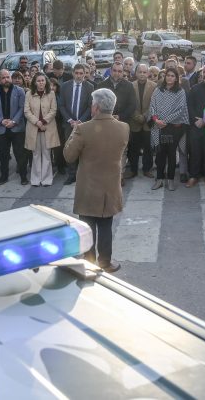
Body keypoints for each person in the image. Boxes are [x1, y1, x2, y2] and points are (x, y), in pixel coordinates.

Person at [63, 88, 128, 273]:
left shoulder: (83, 129)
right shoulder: (124, 127)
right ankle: (105, 262)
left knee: (87, 226)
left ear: (97, 107)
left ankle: (89, 261)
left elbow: (69, 156)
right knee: (106, 225)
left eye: (92, 104)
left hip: (88, 187)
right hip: (110, 186)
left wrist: (74, 132)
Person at [149, 67, 189, 191]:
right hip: (158, 125)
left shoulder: (180, 92)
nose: (170, 77)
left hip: (173, 127)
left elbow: (180, 110)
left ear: (176, 78)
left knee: (171, 153)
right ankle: (159, 179)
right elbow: (152, 106)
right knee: (160, 153)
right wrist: (156, 120)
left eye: (173, 76)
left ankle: (170, 180)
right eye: (168, 75)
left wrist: (165, 121)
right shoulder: (158, 90)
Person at [98, 62, 136, 186]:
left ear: (123, 72)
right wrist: (107, 116)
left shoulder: (129, 86)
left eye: (120, 71)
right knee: (105, 150)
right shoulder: (101, 85)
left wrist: (120, 116)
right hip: (104, 123)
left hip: (122, 123)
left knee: (122, 151)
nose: (117, 73)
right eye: (115, 70)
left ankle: (119, 176)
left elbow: (132, 106)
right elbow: (96, 104)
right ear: (111, 70)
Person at [0, 69, 28, 185]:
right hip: (2, 128)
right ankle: (4, 176)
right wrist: (1, 121)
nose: (6, 79)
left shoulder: (20, 91)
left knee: (20, 154)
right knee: (3, 155)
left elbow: (22, 108)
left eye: (8, 77)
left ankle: (23, 176)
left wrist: (14, 121)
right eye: (3, 78)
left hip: (17, 128)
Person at [58, 64, 94, 185]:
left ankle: (83, 174)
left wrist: (80, 121)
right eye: (76, 73)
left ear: (85, 74)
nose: (79, 76)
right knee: (70, 149)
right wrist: (70, 120)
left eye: (81, 73)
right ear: (73, 73)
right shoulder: (64, 86)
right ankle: (72, 175)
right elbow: (61, 105)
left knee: (84, 150)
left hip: (83, 124)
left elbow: (90, 106)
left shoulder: (90, 87)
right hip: (69, 124)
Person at [24, 73, 58, 186]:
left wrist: (43, 121)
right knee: (36, 154)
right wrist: (37, 122)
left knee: (47, 154)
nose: (41, 83)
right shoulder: (29, 94)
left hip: (47, 127)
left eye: (43, 80)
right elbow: (26, 111)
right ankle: (36, 179)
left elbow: (53, 110)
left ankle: (47, 179)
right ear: (34, 82)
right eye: (38, 81)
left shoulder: (51, 94)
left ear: (46, 81)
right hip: (34, 128)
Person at [128, 63, 156, 179]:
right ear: (136, 73)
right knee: (133, 148)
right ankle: (133, 170)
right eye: (140, 72)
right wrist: (137, 116)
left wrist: (145, 116)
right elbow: (129, 104)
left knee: (148, 148)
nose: (142, 74)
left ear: (148, 73)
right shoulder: (130, 86)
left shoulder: (154, 86)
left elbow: (154, 104)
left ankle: (147, 169)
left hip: (148, 122)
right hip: (134, 122)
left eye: (145, 72)